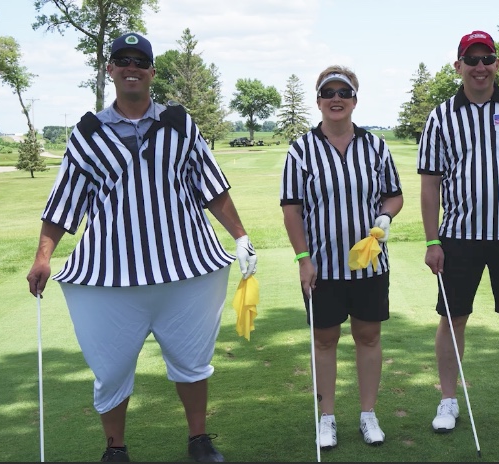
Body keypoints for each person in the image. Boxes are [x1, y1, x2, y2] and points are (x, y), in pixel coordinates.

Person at [26, 32, 257, 462]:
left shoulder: (179, 123)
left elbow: (212, 188)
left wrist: (240, 236)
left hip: (185, 268)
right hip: (111, 275)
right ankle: (115, 447)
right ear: (109, 70)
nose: (130, 68)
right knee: (110, 369)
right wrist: (43, 256)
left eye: (139, 61)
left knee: (192, 361)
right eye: (122, 61)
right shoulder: (87, 133)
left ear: (151, 72)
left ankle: (199, 439)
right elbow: (63, 203)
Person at [418, 30, 499, 433]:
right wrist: (431, 239)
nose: (480, 67)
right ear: (458, 66)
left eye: (487, 58)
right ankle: (447, 401)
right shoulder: (441, 116)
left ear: (496, 63)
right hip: (458, 236)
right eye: (471, 59)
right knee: (453, 317)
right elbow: (430, 184)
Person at [280, 65, 404, 449]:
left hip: (368, 262)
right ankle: (327, 417)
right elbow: (292, 209)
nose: (336, 98)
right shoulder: (300, 150)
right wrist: (303, 258)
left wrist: (385, 215)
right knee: (325, 341)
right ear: (318, 100)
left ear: (354, 100)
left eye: (344, 92)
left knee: (368, 337)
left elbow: (394, 194)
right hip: (322, 267)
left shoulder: (375, 146)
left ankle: (368, 414)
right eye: (328, 92)